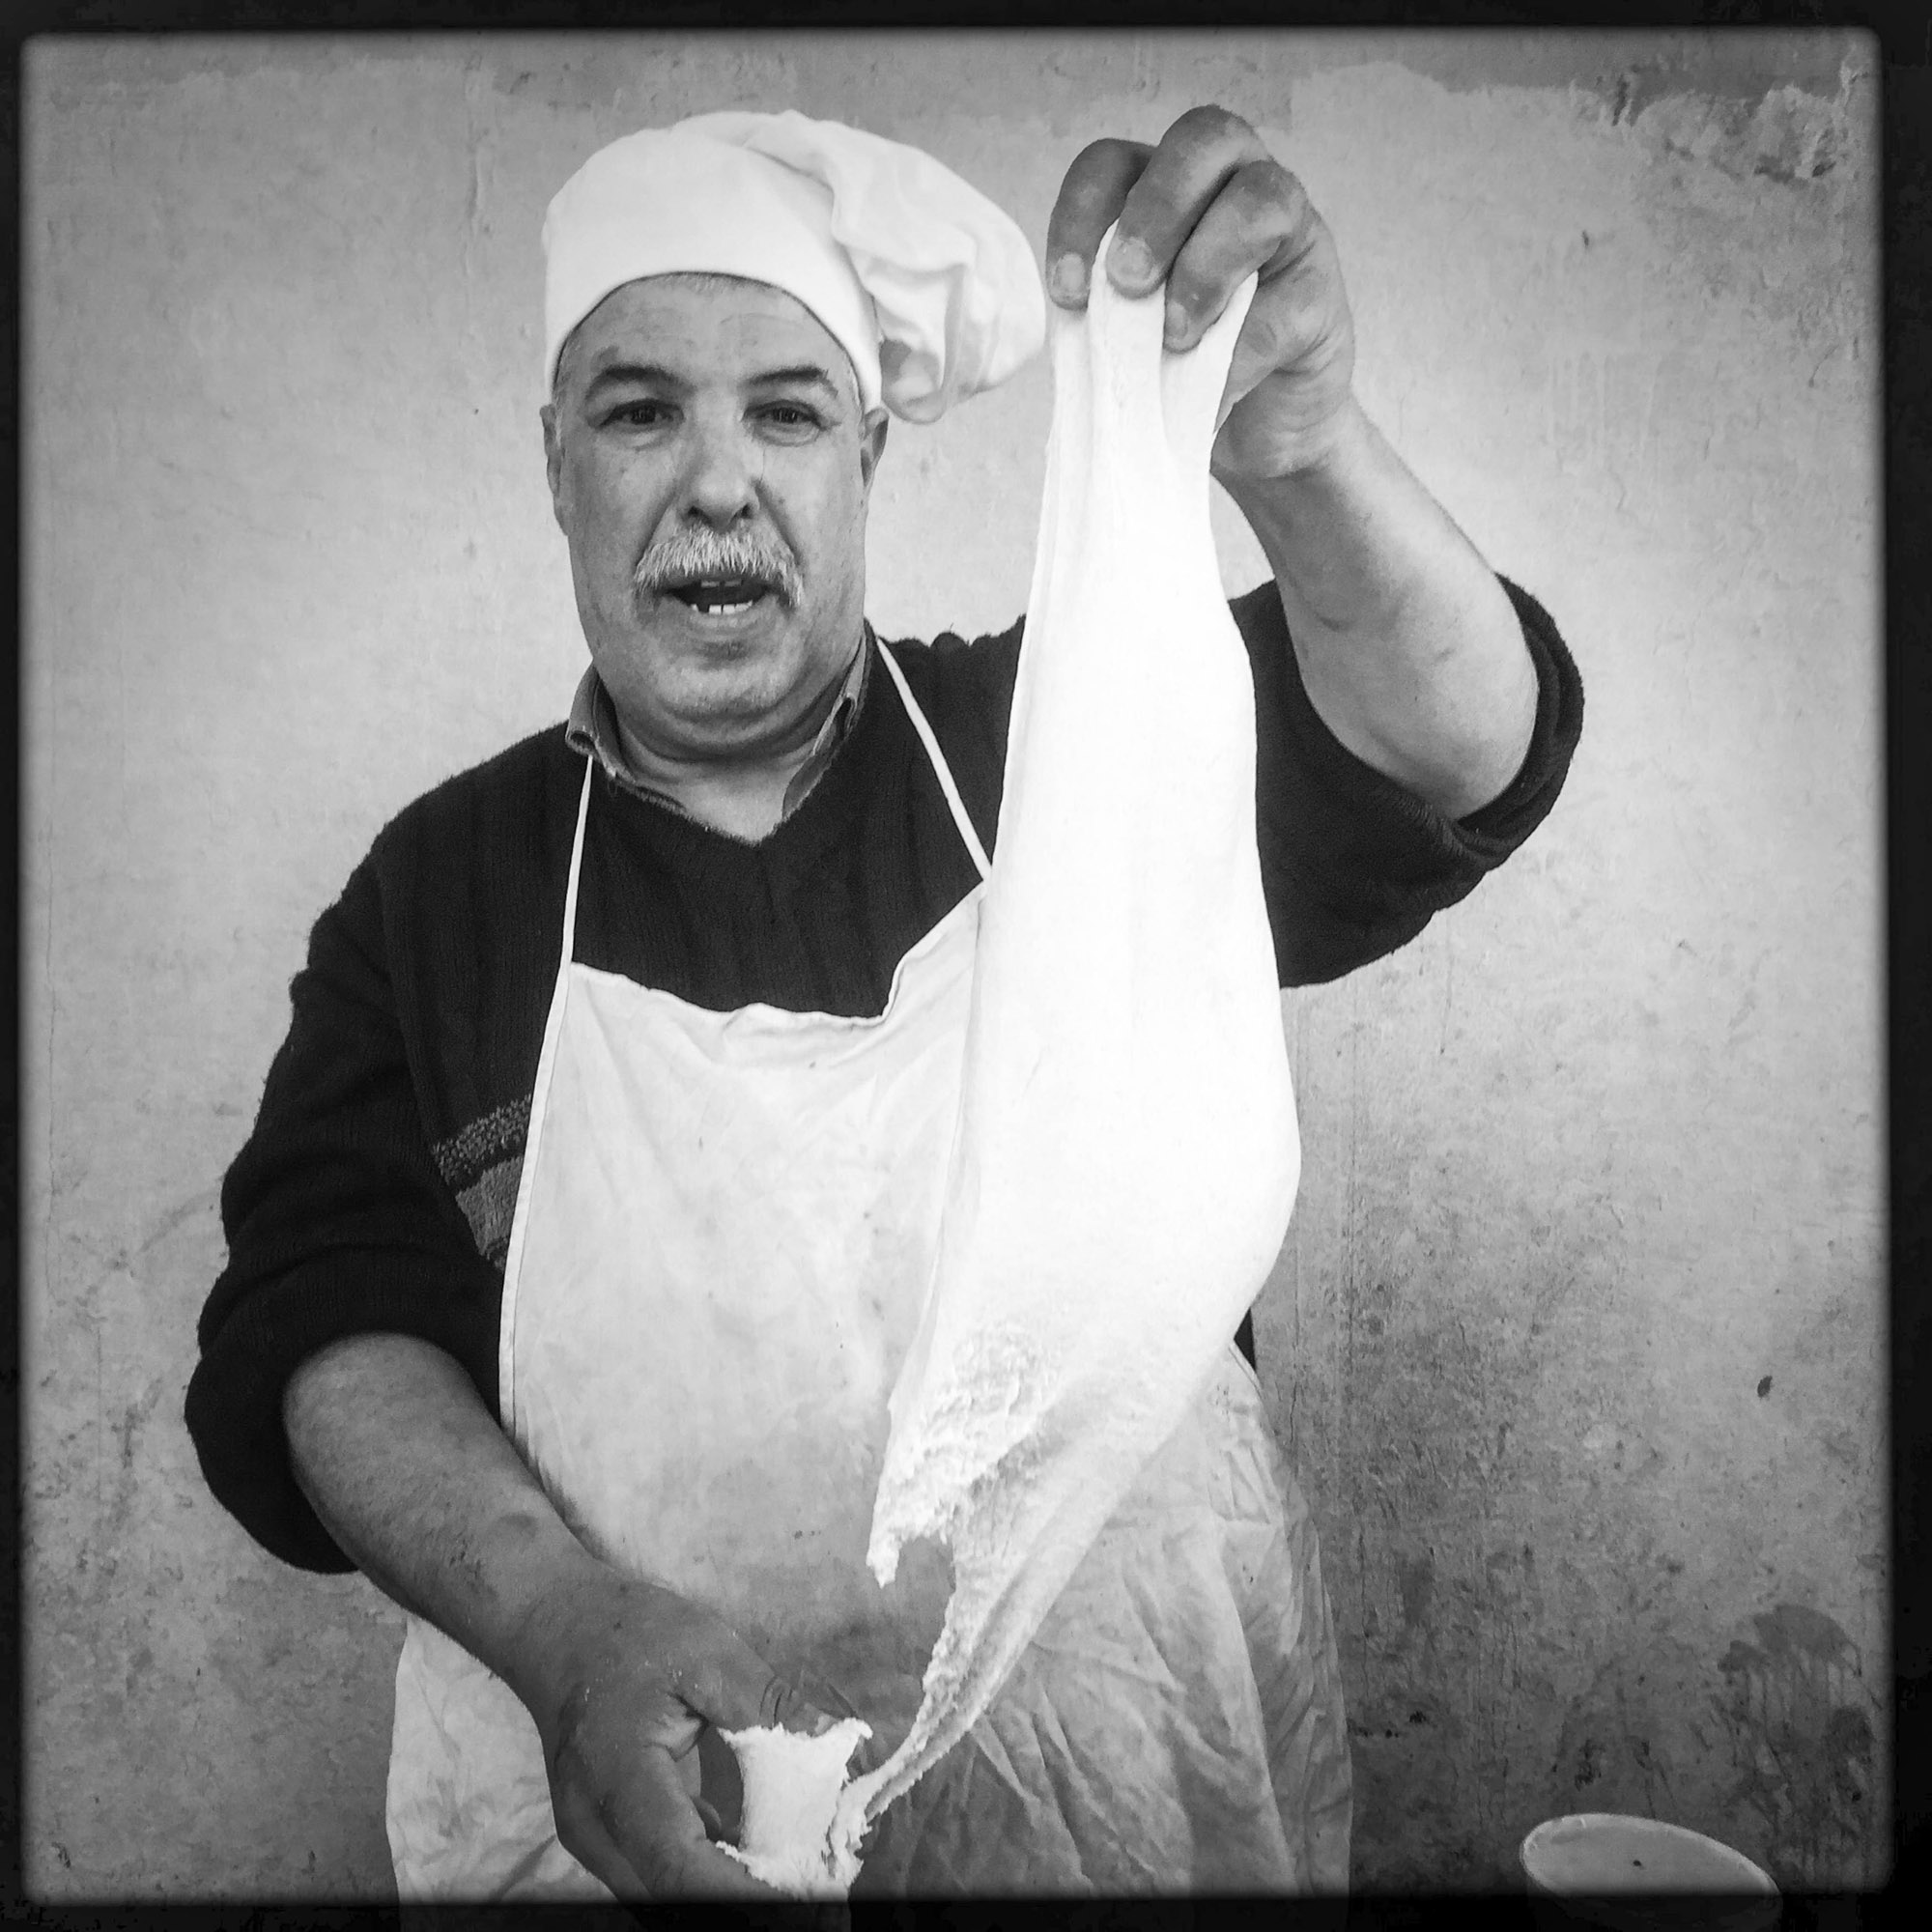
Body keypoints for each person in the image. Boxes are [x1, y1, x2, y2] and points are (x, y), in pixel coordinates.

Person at [186, 104, 1583, 1903]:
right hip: (636, 1813)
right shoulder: (440, 890)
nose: (714, 483)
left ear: (868, 457)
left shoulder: (1060, 742)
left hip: (1132, 1797)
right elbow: (323, 1316)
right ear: (556, 465)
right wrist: (560, 1626)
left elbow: (1463, 743)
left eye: (783, 410)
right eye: (638, 411)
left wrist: (1299, 446)